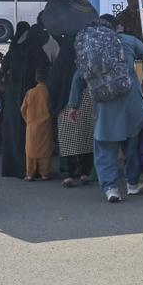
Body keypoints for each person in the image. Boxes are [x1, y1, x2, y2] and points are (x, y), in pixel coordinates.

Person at [68, 15, 143, 203]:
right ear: (115, 27)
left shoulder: (89, 47)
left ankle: (111, 188)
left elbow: (78, 77)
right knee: (131, 146)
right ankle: (132, 184)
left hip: (104, 106)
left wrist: (74, 105)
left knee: (104, 149)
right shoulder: (128, 41)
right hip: (132, 103)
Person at [2, 21, 50, 178]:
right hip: (33, 96)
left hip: (13, 95)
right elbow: (46, 70)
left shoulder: (14, 48)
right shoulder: (38, 52)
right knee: (33, 135)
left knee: (13, 131)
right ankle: (34, 169)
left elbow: (4, 66)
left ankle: (14, 167)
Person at [50, 32, 94, 189]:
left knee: (66, 140)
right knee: (86, 137)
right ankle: (84, 172)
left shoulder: (60, 62)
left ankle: (67, 174)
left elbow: (54, 85)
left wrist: (54, 106)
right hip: (85, 103)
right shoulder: (84, 60)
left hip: (64, 105)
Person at [20, 68, 52, 181]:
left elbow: (23, 109)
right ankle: (44, 173)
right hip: (46, 125)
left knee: (30, 150)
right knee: (45, 149)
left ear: (36, 78)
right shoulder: (48, 92)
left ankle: (30, 174)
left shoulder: (30, 92)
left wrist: (28, 120)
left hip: (31, 125)